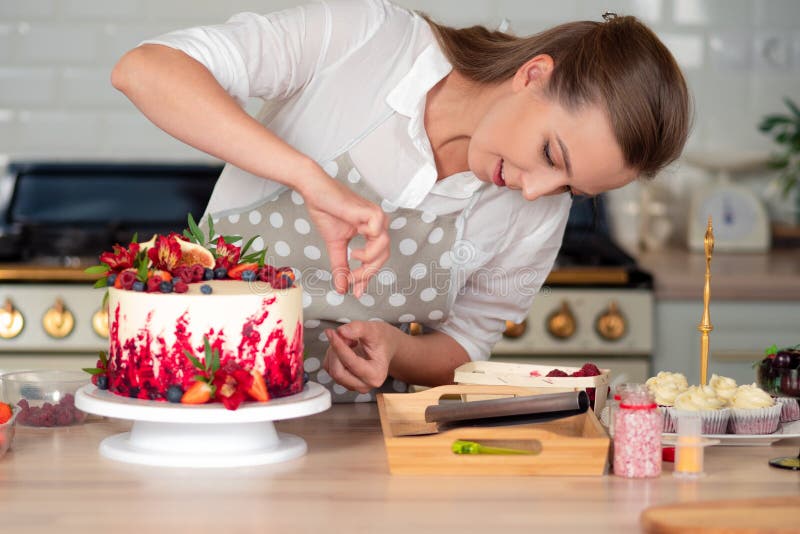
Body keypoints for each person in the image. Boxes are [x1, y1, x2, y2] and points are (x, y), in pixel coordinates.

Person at [111, 0, 690, 402]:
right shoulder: (366, 41)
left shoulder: (535, 213)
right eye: (551, 154)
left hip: (359, 453)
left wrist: (396, 350)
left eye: (570, 189)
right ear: (534, 74)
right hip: (193, 403)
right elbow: (145, 70)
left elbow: (465, 344)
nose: (538, 191)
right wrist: (306, 176)